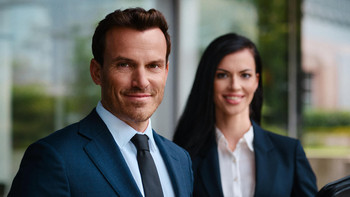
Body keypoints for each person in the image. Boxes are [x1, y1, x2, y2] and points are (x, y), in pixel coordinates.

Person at [9, 8, 193, 197]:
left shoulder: (180, 159)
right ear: (97, 72)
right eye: (125, 65)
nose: (141, 81)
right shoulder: (54, 158)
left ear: (166, 71)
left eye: (153, 66)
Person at [173, 33, 317, 197]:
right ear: (208, 80)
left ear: (256, 81)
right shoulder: (184, 156)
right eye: (222, 75)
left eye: (245, 75)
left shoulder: (289, 153)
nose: (235, 86)